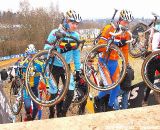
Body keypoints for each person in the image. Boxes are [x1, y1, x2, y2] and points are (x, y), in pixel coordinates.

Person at [44, 10, 82, 118]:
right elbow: (46, 48)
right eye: (73, 23)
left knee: (70, 93)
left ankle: (62, 113)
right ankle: (52, 113)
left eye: (77, 24)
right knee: (54, 93)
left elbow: (76, 54)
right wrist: (58, 48)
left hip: (66, 67)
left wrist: (78, 70)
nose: (75, 26)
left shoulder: (76, 36)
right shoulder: (55, 32)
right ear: (66, 21)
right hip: (54, 67)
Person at [94, 9, 134, 111]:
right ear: (119, 19)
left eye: (128, 22)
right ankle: (98, 99)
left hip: (114, 62)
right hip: (104, 61)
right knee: (110, 86)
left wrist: (126, 64)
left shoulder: (126, 34)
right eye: (124, 21)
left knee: (116, 88)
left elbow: (125, 51)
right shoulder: (110, 28)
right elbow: (100, 45)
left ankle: (110, 106)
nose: (126, 24)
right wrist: (115, 44)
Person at [21, 44, 43, 121]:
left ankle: (32, 119)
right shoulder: (23, 63)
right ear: (27, 54)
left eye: (33, 54)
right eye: (30, 54)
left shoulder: (40, 64)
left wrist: (47, 85)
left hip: (35, 89)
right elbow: (18, 74)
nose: (31, 56)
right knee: (27, 106)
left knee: (36, 107)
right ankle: (27, 113)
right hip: (26, 88)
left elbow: (46, 74)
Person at [142, 23, 160, 106]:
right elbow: (154, 49)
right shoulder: (157, 35)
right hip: (151, 61)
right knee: (150, 83)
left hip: (158, 60)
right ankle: (145, 100)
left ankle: (157, 91)